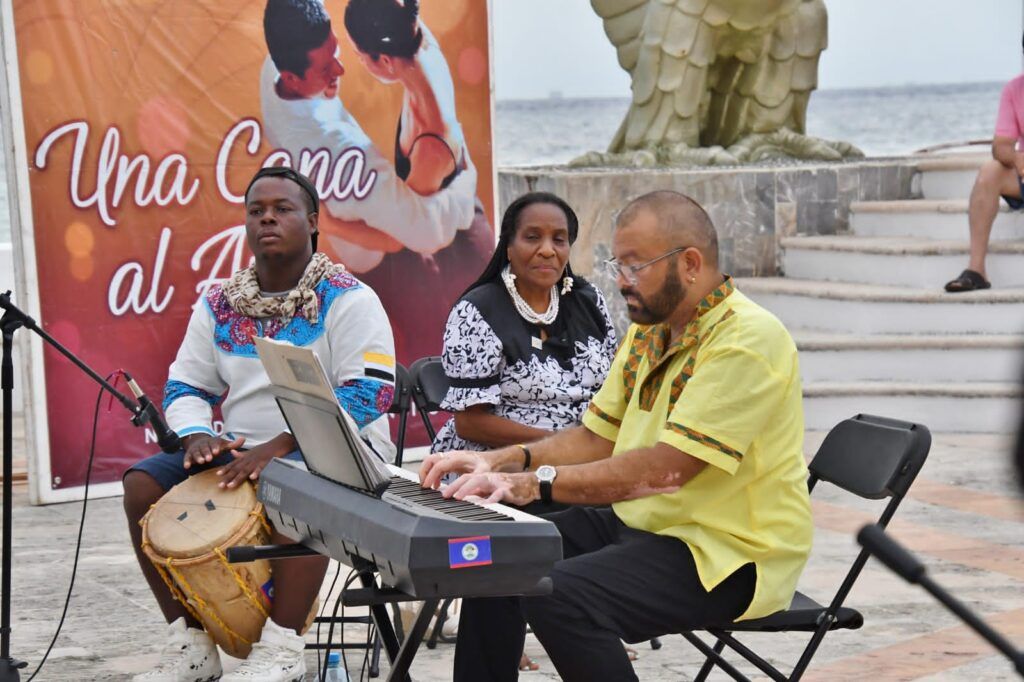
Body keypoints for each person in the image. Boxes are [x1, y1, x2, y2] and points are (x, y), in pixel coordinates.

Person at [420, 190, 814, 682]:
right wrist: (502, 463)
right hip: (646, 524)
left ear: (689, 263)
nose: (622, 282)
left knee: (561, 596)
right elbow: (597, 436)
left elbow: (665, 470)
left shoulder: (747, 340)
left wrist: (535, 483)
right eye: (618, 266)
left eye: (635, 267)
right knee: (501, 551)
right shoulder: (652, 331)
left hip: (727, 552)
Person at [123, 167, 397, 682]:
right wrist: (199, 436)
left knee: (300, 487)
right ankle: (191, 643)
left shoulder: (349, 299)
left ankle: (282, 647)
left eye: (283, 208)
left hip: (337, 449)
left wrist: (282, 445)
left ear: (313, 222)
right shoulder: (219, 305)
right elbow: (186, 386)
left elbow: (373, 392)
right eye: (256, 210)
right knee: (141, 485)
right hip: (243, 448)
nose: (267, 217)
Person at [430, 191, 618, 672]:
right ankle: (503, 647)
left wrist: (586, 447)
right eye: (532, 237)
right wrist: (548, 447)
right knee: (506, 552)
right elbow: (470, 419)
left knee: (633, 514)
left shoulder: (589, 302)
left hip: (583, 455)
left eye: (559, 239)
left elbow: (619, 389)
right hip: (492, 460)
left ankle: (582, 624)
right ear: (508, 246)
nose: (547, 250)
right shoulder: (478, 310)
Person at [261, 0, 492, 364]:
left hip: (456, 249)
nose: (342, 68)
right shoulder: (419, 40)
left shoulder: (276, 76)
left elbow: (426, 235)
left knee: (451, 351)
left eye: (348, 54)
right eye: (328, 64)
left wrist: (464, 183)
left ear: (383, 60)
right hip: (417, 250)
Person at [945, 36, 1024, 292]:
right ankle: (976, 270)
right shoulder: (1015, 89)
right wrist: (1015, 158)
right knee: (990, 171)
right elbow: (1000, 145)